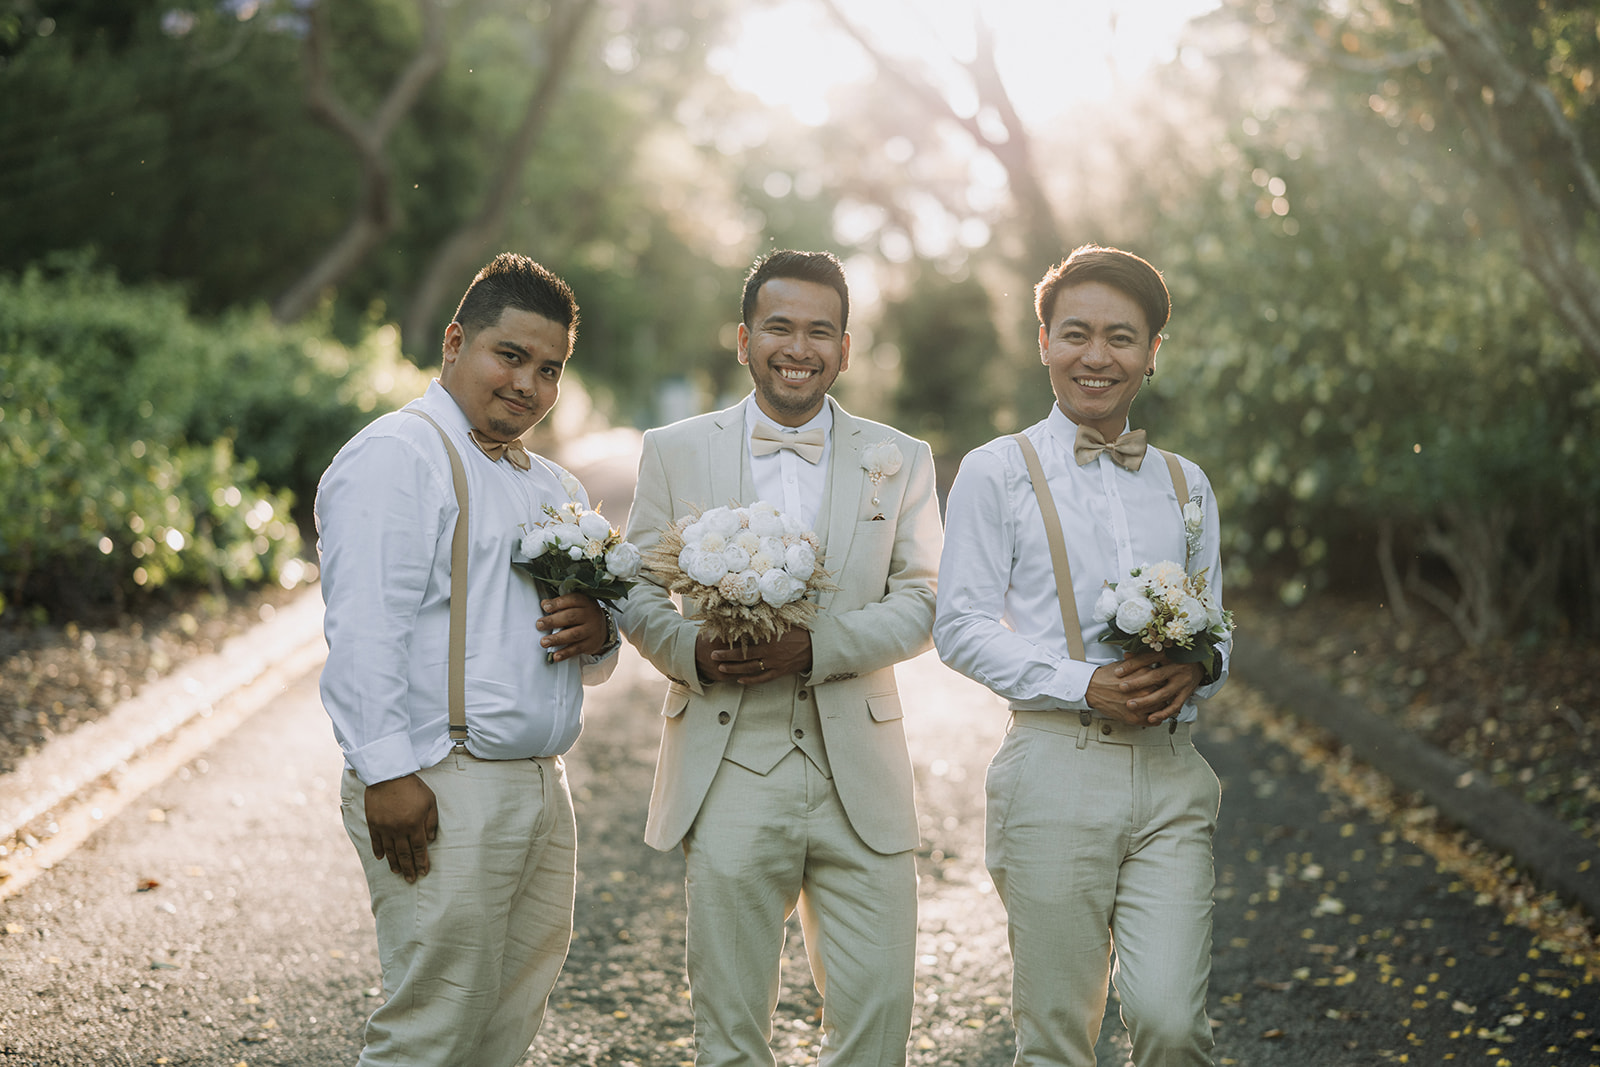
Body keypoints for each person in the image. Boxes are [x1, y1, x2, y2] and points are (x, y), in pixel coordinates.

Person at [618, 249, 943, 1066]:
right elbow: (633, 591)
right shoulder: (673, 448)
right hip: (729, 764)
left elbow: (929, 597)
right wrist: (690, 647)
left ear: (844, 348)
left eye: (820, 331)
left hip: (859, 772)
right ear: (743, 338)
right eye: (779, 327)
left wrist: (823, 645)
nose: (799, 347)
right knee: (730, 1029)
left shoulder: (899, 456)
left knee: (878, 1019)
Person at [315, 252, 620, 1067]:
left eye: (550, 369)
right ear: (456, 341)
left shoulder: (551, 481)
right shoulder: (399, 456)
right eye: (510, 356)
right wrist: (386, 771)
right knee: (431, 1031)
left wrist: (597, 628)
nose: (529, 384)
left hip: (539, 785)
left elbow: (566, 645)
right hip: (440, 782)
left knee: (504, 1029)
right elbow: (364, 627)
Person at [932, 245, 1229, 1066]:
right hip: (1053, 772)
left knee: (1173, 1022)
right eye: (1077, 334)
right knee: (1059, 1038)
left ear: (1153, 352)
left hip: (1172, 776)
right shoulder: (996, 472)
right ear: (1043, 341)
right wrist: (1083, 682)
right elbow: (958, 625)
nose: (1097, 356)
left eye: (1122, 337)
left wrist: (1201, 663)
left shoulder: (1187, 483)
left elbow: (1218, 623)